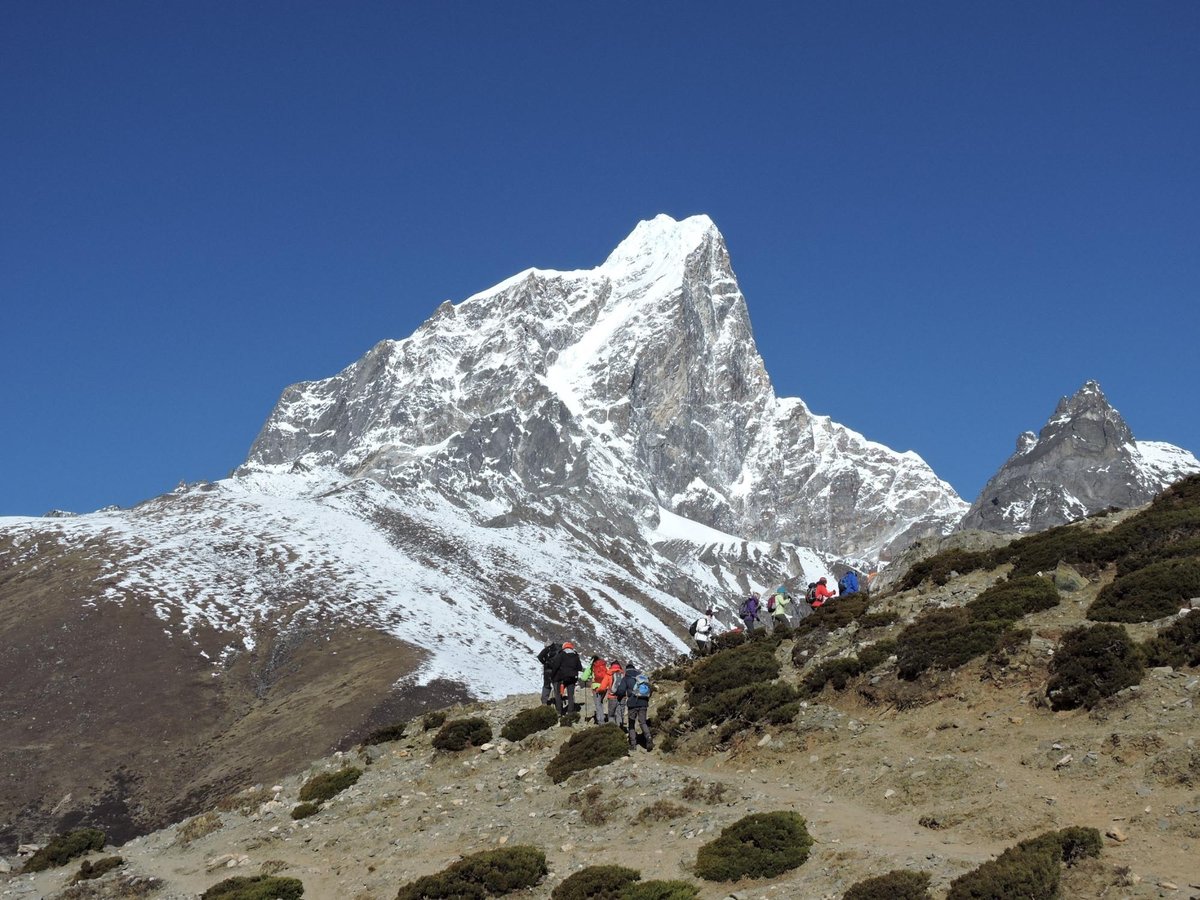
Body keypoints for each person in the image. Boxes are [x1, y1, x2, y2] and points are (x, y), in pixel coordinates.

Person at [617, 661, 653, 751]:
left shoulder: (626, 678)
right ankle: (648, 737)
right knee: (643, 722)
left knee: (632, 723)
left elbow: (621, 691)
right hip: (643, 702)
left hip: (632, 703)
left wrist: (617, 695)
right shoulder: (642, 677)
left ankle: (633, 744)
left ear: (627, 669)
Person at [551, 641, 584, 715]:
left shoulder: (561, 654)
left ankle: (559, 711)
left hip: (562, 678)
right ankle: (570, 712)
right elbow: (579, 667)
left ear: (564, 647)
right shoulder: (575, 655)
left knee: (558, 694)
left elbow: (556, 666)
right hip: (572, 678)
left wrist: (552, 676)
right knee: (570, 695)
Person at [605, 660, 626, 728]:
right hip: (622, 696)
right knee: (620, 713)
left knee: (611, 714)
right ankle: (620, 728)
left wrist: (599, 690)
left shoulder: (610, 673)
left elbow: (603, 685)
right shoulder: (623, 674)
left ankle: (612, 730)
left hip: (612, 696)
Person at [590, 657, 611, 724]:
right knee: (600, 702)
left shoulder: (592, 666)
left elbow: (584, 677)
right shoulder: (604, 666)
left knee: (598, 704)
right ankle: (602, 717)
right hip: (604, 687)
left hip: (596, 688)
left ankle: (600, 720)